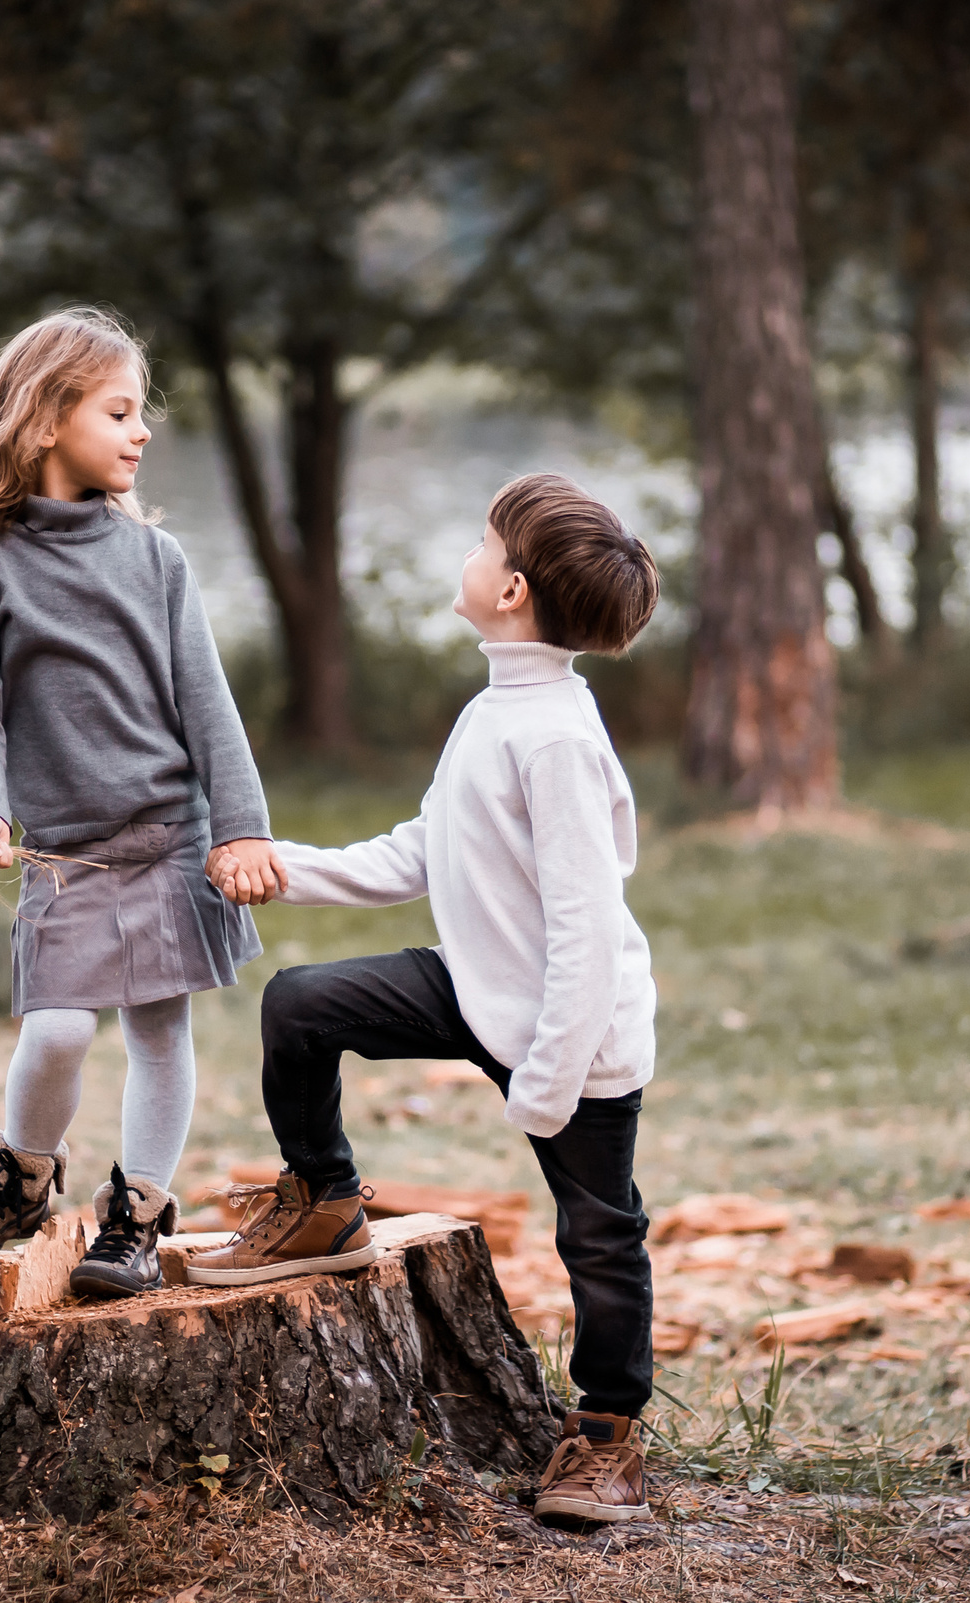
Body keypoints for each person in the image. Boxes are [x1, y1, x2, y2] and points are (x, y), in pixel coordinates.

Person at [189, 472, 663, 1527]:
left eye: (482, 544)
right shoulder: (497, 708)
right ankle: (325, 1199)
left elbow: (586, 929)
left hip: (572, 1027)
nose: (468, 555)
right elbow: (422, 849)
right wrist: (286, 864)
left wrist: (542, 1080)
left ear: (511, 590)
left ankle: (607, 1436)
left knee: (598, 1228)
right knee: (300, 1005)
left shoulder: (555, 737)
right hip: (479, 981)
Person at [0, 307, 286, 1298]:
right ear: (44, 421)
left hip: (167, 839)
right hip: (67, 853)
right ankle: (26, 1175)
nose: (141, 430)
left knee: (160, 1031)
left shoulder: (155, 561)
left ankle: (139, 1210)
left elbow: (210, 710)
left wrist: (242, 828)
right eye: (118, 411)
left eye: (140, 413)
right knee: (60, 1029)